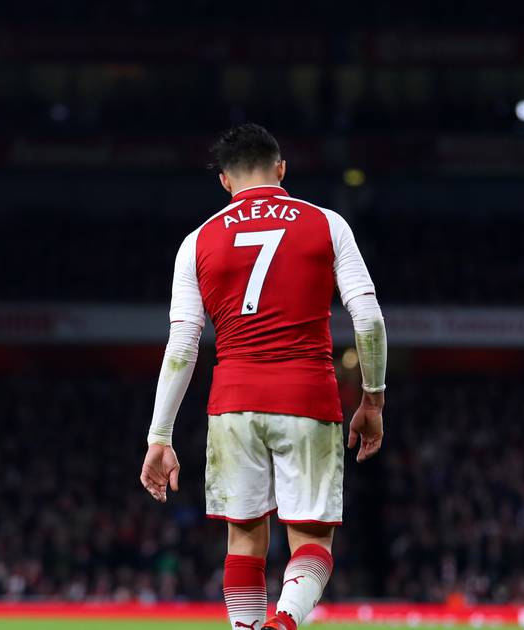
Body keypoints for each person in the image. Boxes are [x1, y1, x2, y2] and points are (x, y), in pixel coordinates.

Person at [139, 123, 388, 630]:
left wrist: (159, 436)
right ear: (281, 169)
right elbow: (368, 320)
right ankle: (284, 622)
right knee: (312, 541)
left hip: (233, 402)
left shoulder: (197, 241)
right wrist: (373, 399)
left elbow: (183, 346)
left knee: (244, 541)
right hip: (307, 395)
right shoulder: (327, 224)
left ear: (225, 181)